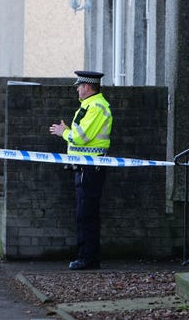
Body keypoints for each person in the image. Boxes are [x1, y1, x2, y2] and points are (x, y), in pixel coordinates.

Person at [50, 71, 113, 270]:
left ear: (87, 87)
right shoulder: (88, 106)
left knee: (87, 214)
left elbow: (80, 137)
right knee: (83, 214)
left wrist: (64, 132)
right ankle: (86, 256)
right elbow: (80, 135)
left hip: (91, 168)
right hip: (85, 167)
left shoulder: (96, 107)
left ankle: (88, 259)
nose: (77, 89)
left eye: (79, 86)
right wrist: (69, 131)